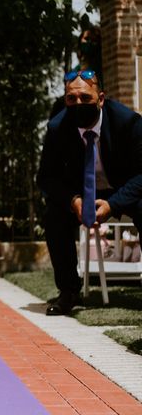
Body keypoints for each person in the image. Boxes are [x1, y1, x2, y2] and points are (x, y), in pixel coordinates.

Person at [37, 69, 142, 316]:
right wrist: (73, 201)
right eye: (71, 99)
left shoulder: (129, 123)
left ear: (101, 98)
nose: (78, 104)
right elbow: (46, 177)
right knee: (53, 216)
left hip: (122, 189)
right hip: (81, 193)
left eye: (85, 98)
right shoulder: (57, 127)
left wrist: (113, 204)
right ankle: (68, 291)